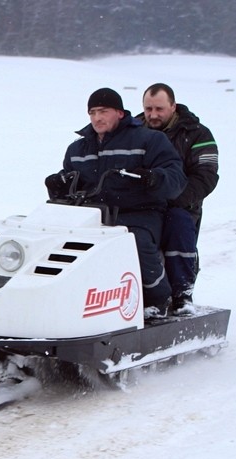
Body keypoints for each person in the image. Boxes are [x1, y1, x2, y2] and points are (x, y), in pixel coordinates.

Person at [45, 87, 187, 319]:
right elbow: (70, 177)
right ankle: (68, 297)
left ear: (120, 113)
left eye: (103, 111)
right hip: (91, 214)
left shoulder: (149, 140)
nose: (97, 118)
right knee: (61, 244)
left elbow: (176, 178)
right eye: (92, 112)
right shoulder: (77, 148)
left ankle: (158, 297)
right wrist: (58, 183)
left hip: (138, 212)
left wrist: (152, 178)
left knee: (134, 242)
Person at [138, 83, 219, 315]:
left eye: (159, 109)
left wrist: (174, 198)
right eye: (148, 108)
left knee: (178, 224)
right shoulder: (135, 130)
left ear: (173, 106)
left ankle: (182, 293)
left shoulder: (197, 133)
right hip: (141, 205)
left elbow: (206, 176)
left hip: (180, 204)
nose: (153, 115)